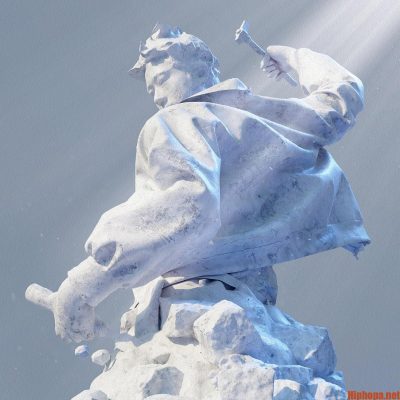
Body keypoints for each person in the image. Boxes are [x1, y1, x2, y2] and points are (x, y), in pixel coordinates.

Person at [31, 24, 370, 343]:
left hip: (191, 305)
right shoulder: (261, 120)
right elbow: (339, 104)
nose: (158, 98)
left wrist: (84, 285)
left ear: (199, 68)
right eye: (152, 89)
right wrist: (294, 58)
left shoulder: (176, 120)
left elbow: (189, 208)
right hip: (254, 304)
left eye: (162, 79)